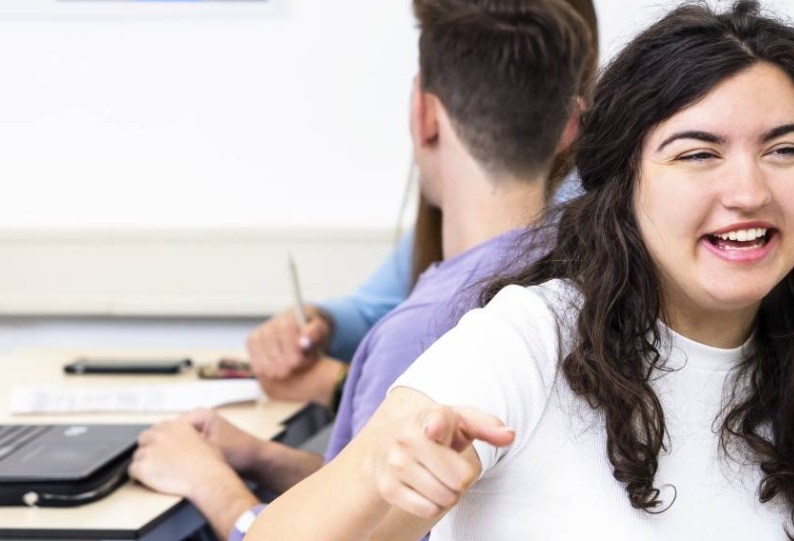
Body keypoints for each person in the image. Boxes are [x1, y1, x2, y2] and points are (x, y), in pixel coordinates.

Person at [250, 2, 794, 539]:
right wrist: (378, 472)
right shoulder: (526, 340)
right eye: (697, 154)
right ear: (625, 183)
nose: (748, 191)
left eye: (784, 149)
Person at [124, 0, 594, 537]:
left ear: (423, 116)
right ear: (571, 126)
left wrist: (210, 482)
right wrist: (259, 456)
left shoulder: (423, 331)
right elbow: (406, 500)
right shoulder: (580, 274)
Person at [242, 0, 603, 406]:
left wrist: (340, 383)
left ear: (424, 113)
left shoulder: (416, 332)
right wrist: (319, 321)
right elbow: (372, 306)